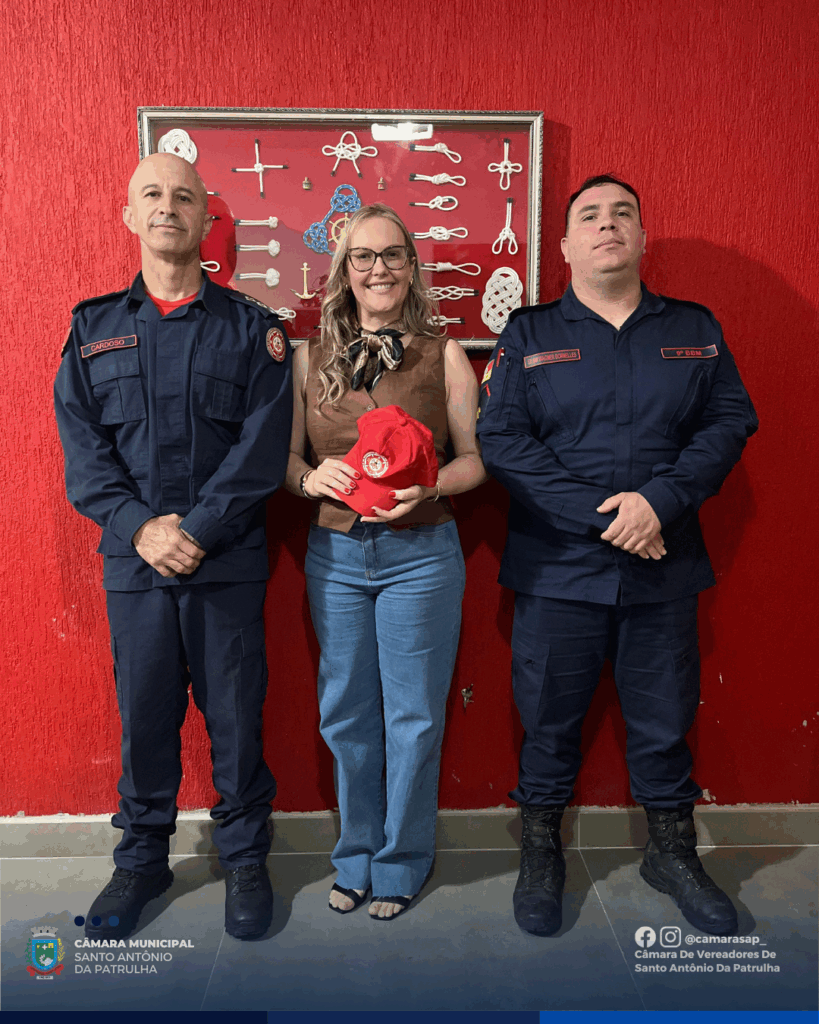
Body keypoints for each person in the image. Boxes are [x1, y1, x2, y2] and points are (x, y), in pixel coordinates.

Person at [476, 175, 758, 938]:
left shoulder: (692, 327)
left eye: (622, 214)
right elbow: (501, 440)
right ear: (566, 245)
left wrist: (657, 501)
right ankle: (540, 852)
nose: (607, 225)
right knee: (547, 720)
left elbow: (729, 421)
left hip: (661, 562)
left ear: (640, 237)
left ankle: (671, 852)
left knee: (665, 719)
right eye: (590, 216)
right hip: (557, 568)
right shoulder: (528, 334)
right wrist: (607, 518)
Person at [54, 152, 293, 941]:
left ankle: (245, 858)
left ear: (205, 219)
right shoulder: (92, 329)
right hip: (134, 564)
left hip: (225, 561)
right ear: (130, 215)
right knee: (145, 719)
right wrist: (142, 527)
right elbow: (85, 455)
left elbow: (261, 453)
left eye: (183, 196)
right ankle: (141, 860)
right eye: (152, 194)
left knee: (236, 717)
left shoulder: (253, 330)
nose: (167, 207)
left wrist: (193, 531)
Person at [286, 203, 486, 920]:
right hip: (335, 556)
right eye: (363, 257)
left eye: (393, 255)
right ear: (343, 271)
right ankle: (355, 857)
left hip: (421, 557)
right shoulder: (308, 358)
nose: (379, 269)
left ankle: (401, 861)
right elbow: (286, 462)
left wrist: (430, 487)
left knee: (414, 718)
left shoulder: (446, 354)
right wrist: (310, 479)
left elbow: (474, 461)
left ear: (411, 266)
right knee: (344, 715)